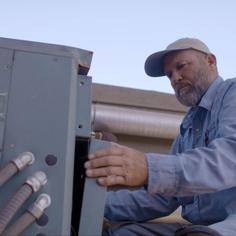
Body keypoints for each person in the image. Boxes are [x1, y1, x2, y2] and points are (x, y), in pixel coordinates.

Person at [85, 38, 236, 236]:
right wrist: (88, 203)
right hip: (201, 228)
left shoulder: (232, 94)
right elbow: (163, 198)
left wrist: (149, 168)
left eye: (181, 66)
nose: (175, 78)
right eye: (169, 74)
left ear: (210, 61)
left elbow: (229, 159)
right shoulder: (187, 129)